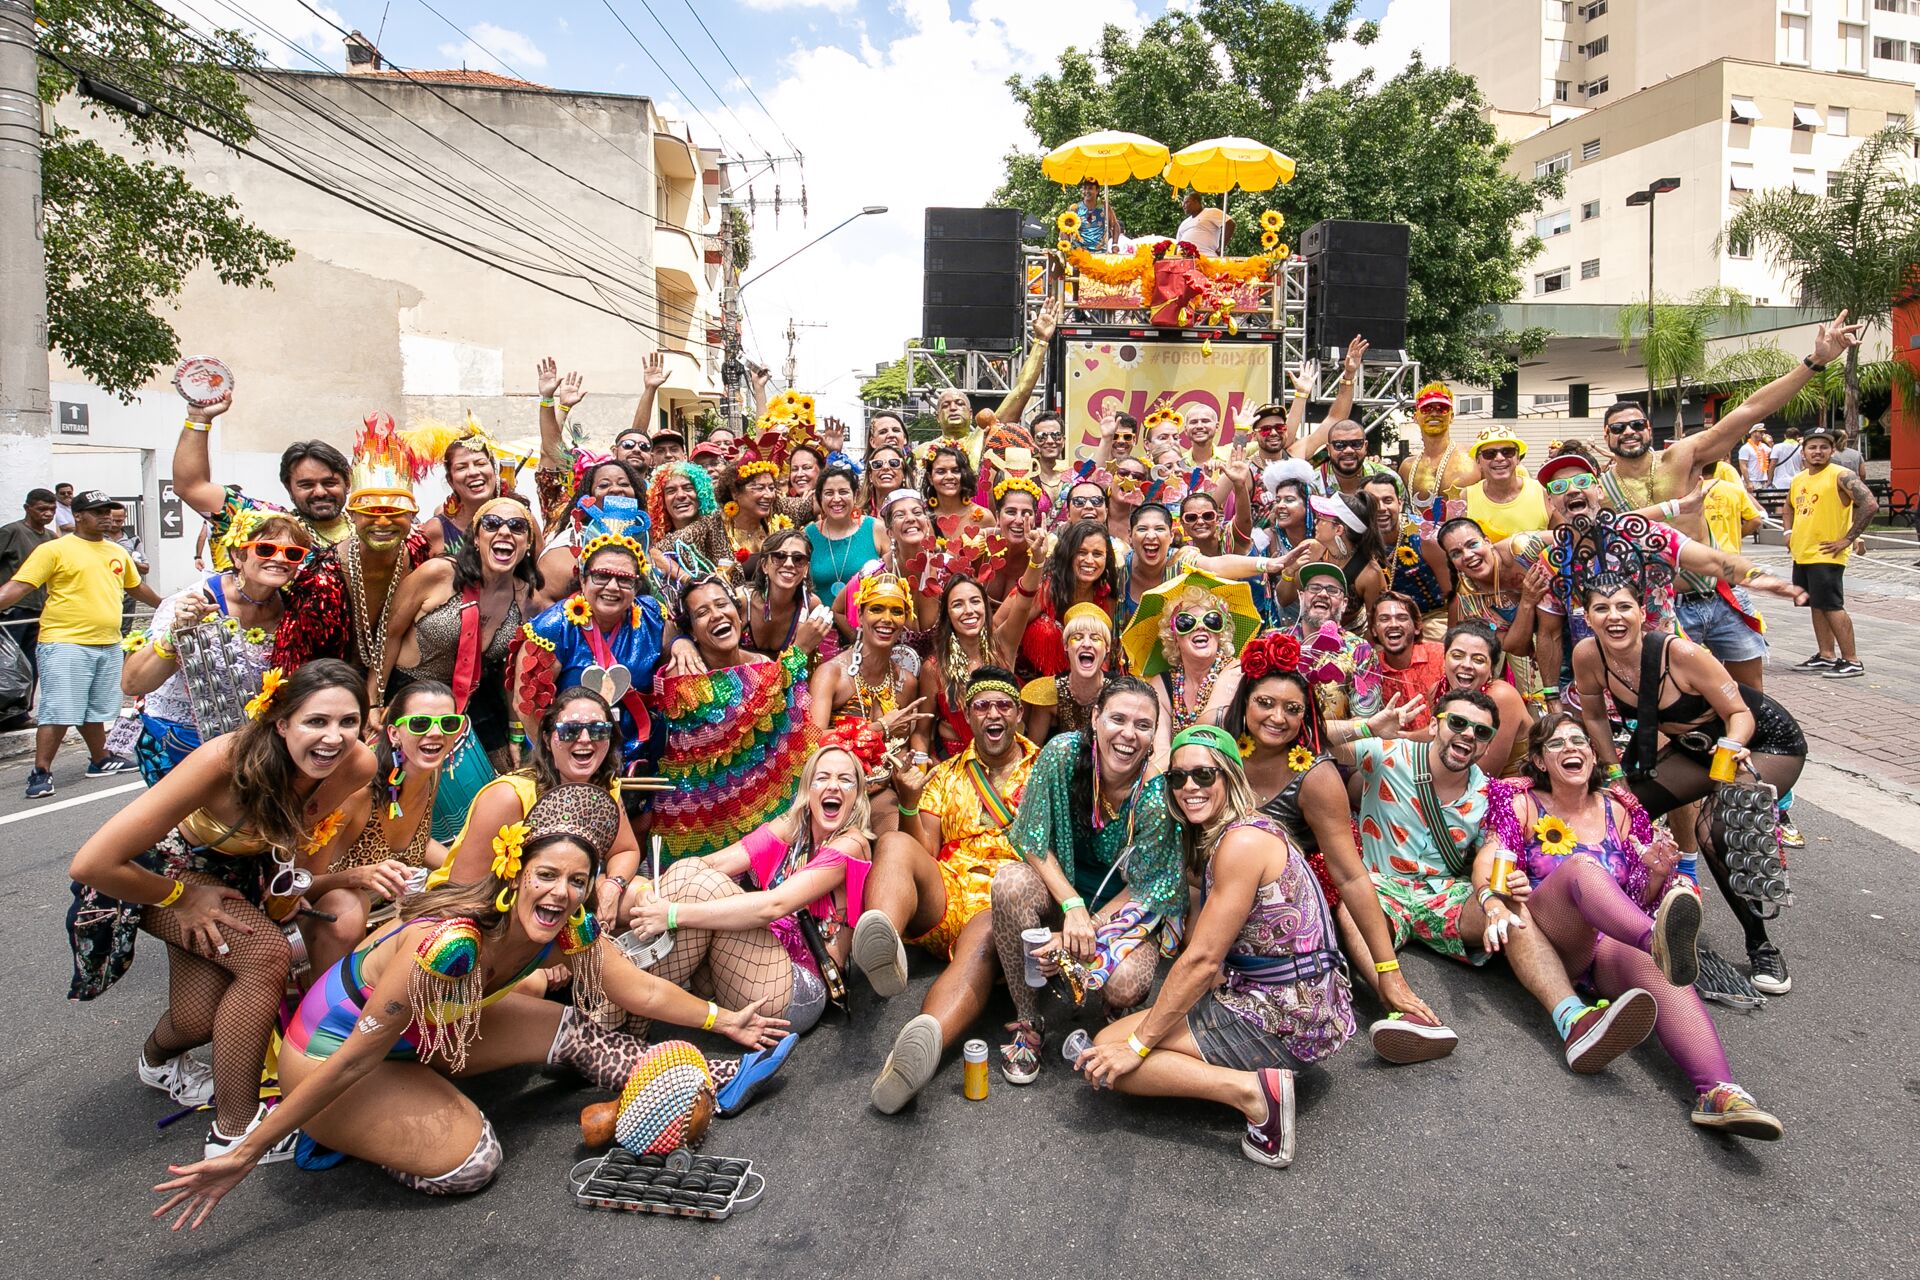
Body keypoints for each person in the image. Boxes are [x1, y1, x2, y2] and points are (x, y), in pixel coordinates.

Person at [154, 787, 792, 1225]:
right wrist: (246, 1148)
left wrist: (721, 1021)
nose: (561, 893)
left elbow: (638, 989)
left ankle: (701, 1079)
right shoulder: (452, 945)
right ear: (516, 873)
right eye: (546, 876)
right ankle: (363, 1133)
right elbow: (352, 1059)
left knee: (576, 1028)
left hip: (425, 1042)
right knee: (474, 1162)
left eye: (577, 881)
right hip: (331, 1063)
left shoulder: (567, 927)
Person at [66, 660, 375, 1161]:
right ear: (281, 723)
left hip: (235, 880)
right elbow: (92, 863)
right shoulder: (224, 762)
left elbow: (292, 839)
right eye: (316, 721)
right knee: (266, 957)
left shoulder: (355, 766)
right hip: (162, 875)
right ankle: (236, 1131)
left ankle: (157, 1063)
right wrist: (180, 898)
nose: (334, 738)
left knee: (199, 1020)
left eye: (348, 722)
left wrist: (290, 886)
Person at [1478, 714, 1782, 1139]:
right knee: (1583, 867)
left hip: (1611, 945)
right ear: (1540, 762)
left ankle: (1719, 1092)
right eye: (1557, 744)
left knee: (1656, 966)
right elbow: (1489, 858)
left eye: (1579, 740)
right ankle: (1655, 940)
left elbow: (1635, 897)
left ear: (1591, 752)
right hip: (1555, 936)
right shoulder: (1520, 802)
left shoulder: (1620, 808)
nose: (1572, 748)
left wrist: (1656, 874)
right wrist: (1492, 895)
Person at [1334, 687, 1658, 1072]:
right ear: (1437, 725)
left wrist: (1498, 895)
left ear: (1487, 746)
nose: (1468, 734)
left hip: (1445, 893)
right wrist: (1365, 726)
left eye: (1482, 732)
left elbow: (1496, 852)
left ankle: (1574, 1020)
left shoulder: (1490, 793)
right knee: (1351, 906)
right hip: (1382, 885)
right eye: (1457, 723)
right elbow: (1308, 738)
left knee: (1511, 907)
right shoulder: (1387, 754)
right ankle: (1405, 1013)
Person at [1072, 725, 1352, 1167]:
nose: (1188, 787)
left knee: (1112, 1057)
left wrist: (1139, 1046)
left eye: (1204, 776)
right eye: (1176, 778)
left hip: (1286, 1015)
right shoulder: (1242, 831)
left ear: (1230, 777)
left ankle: (1254, 1095)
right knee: (1116, 1045)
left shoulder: (1239, 843)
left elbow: (1202, 961)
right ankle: (1252, 1075)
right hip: (1300, 1002)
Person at [1573, 576, 1808, 997]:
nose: (1614, 617)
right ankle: (1627, 921)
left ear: (1643, 612)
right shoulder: (1588, 655)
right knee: (1621, 807)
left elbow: (1739, 711)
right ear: (1587, 616)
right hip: (1694, 747)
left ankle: (1762, 947)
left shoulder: (1680, 653)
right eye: (1602, 609)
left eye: (1624, 607)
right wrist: (1615, 776)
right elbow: (1592, 716)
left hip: (1761, 742)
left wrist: (1730, 752)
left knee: (1715, 831)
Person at [1222, 636, 1450, 1060]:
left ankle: (1397, 1004)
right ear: (1245, 702)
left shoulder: (1316, 777)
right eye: (1265, 703)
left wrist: (1390, 973)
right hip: (1219, 889)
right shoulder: (1220, 749)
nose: (1277, 717)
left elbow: (1351, 876)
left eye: (1292, 709)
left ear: (1305, 715)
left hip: (1288, 900)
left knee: (1339, 897)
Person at [858, 667, 1041, 1111]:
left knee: (985, 933)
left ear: (1018, 713)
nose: (993, 714)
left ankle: (918, 1051)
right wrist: (908, 802)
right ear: (968, 716)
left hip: (1007, 898)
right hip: (950, 890)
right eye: (982, 706)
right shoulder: (947, 775)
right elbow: (927, 850)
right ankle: (885, 949)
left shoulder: (1045, 770)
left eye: (1003, 705)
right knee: (896, 842)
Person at [989, 677, 1184, 1083]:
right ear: (1095, 718)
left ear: (1153, 735)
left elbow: (1147, 888)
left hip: (1123, 913)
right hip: (1064, 899)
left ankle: (1114, 1022)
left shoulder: (1156, 795)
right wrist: (1072, 907)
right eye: (1117, 719)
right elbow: (1031, 838)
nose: (1128, 734)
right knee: (1009, 883)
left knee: (1126, 984)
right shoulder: (1061, 754)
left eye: (1143, 725)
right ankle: (1028, 1020)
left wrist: (1092, 927)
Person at [631, 743, 877, 1037]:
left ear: (857, 796)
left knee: (707, 888)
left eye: (845, 780)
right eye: (822, 778)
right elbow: (711, 863)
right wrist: (650, 891)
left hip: (796, 985)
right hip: (744, 968)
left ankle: (630, 1011)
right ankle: (632, 1004)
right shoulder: (793, 828)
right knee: (692, 871)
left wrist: (672, 914)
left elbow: (774, 905)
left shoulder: (852, 845)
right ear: (808, 790)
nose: (833, 786)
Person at [379, 496, 540, 840]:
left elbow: (511, 673)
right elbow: (389, 635)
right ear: (476, 537)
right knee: (395, 794)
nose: (505, 532)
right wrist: (374, 702)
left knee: (503, 794)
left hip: (475, 708)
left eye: (517, 526)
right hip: (407, 696)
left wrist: (515, 733)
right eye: (493, 524)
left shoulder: (527, 598)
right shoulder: (439, 573)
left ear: (528, 543)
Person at [437, 687, 648, 932]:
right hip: (485, 915)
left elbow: (626, 850)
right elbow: (464, 893)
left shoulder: (604, 784)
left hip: (562, 903)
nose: (585, 739)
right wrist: (537, 943)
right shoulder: (508, 796)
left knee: (643, 896)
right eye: (569, 731)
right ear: (547, 739)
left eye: (599, 730)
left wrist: (613, 886)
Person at [651, 573, 827, 863]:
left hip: (765, 809)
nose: (717, 615)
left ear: (738, 613)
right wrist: (798, 652)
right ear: (692, 632)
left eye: (722, 604)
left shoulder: (762, 665)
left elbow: (791, 727)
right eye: (702, 612)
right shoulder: (683, 673)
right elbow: (730, 728)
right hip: (704, 826)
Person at [122, 513, 310, 784]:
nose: (280, 559)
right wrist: (178, 631)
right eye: (267, 549)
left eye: (292, 553)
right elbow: (133, 683)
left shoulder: (296, 609)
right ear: (237, 556)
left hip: (249, 749)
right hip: (180, 744)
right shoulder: (194, 601)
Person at [0, 490, 159, 798]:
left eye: (108, 510)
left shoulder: (116, 551)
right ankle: (40, 771)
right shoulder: (55, 549)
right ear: (79, 515)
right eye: (98, 511)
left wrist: (167, 604)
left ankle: (100, 759)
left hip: (108, 642)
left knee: (95, 708)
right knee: (59, 710)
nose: (106, 516)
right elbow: (19, 586)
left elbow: (137, 587)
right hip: (65, 641)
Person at [307, 680, 461, 976]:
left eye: (448, 723)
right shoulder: (357, 793)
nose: (436, 733)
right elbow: (304, 884)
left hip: (395, 917)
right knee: (346, 906)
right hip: (334, 925)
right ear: (394, 733)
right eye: (419, 723)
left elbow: (419, 843)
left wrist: (471, 870)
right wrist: (357, 876)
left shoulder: (430, 771)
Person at [511, 522, 667, 774]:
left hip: (635, 758)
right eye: (601, 576)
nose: (613, 587)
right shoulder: (552, 629)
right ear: (582, 579)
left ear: (636, 588)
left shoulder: (651, 616)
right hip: (569, 760)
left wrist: (683, 643)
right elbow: (527, 706)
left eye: (625, 580)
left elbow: (678, 649)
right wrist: (559, 764)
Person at [173, 392, 353, 568]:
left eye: (329, 483)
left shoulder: (373, 525)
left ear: (348, 483)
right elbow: (191, 487)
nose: (320, 492)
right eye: (306, 485)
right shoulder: (267, 522)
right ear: (289, 489)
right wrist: (199, 419)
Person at [810, 574, 932, 830]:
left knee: (899, 836)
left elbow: (898, 746)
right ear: (861, 615)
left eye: (896, 611)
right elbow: (813, 740)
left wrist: (909, 769)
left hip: (880, 792)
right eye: (877, 608)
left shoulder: (906, 682)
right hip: (835, 792)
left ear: (905, 620)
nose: (887, 619)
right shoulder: (832, 674)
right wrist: (878, 728)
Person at [1784, 425, 1877, 678]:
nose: (1817, 452)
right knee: (1816, 605)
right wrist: (1788, 532)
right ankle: (1826, 655)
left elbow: (1869, 503)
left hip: (1827, 553)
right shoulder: (1799, 479)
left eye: (1823, 447)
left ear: (1832, 450)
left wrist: (1848, 538)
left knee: (1832, 605)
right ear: (1803, 452)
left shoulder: (1841, 475)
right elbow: (1789, 507)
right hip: (1803, 552)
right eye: (1812, 447)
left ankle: (1852, 660)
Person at [918, 575, 1024, 759]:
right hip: (953, 769)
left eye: (975, 601)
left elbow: (1024, 601)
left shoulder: (1003, 649)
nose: (969, 610)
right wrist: (922, 773)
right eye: (957, 604)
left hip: (1003, 764)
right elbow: (922, 733)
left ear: (985, 607)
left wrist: (1037, 560)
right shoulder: (933, 668)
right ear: (947, 615)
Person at [1426, 620, 1532, 776]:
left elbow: (1484, 775)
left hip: (1506, 790)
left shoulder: (1502, 696)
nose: (1467, 665)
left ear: (1491, 670)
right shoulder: (1438, 691)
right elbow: (1433, 735)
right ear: (1444, 659)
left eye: (1478, 660)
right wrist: (1398, 735)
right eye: (1457, 656)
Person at [535, 459, 642, 608]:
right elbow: (542, 599)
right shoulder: (570, 542)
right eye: (604, 485)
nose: (616, 489)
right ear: (588, 497)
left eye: (624, 484)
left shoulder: (643, 541)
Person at [1284, 563, 1383, 721]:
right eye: (1314, 588)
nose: (1323, 594)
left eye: (1332, 590)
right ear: (1302, 597)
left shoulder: (1360, 651)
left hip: (1333, 744)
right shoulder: (1273, 640)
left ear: (1344, 604)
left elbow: (1366, 718)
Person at [1362, 473, 1451, 638]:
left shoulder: (1426, 536)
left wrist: (1455, 638)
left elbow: (1453, 595)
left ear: (1400, 503)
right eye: (1372, 502)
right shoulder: (1358, 539)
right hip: (1384, 622)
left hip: (1432, 618)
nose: (1381, 508)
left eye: (1388, 500)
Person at [1021, 602, 1114, 742]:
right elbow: (1034, 753)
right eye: (1077, 637)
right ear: (1065, 645)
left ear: (1107, 648)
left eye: (1095, 638)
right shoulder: (1049, 693)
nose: (1087, 644)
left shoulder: (1118, 691)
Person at [805, 462, 887, 607]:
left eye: (843, 492)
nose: (836, 499)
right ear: (820, 498)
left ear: (855, 495)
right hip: (820, 624)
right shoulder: (809, 534)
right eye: (829, 493)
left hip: (863, 625)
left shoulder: (876, 529)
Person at [0, 488, 61, 675]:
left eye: (52, 509)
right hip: (13, 609)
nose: (48, 514)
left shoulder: (51, 538)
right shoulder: (12, 532)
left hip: (40, 610)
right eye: (42, 509)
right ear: (27, 508)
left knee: (32, 665)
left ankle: (26, 704)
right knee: (9, 665)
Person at [1398, 382, 1479, 521]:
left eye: (1442, 408)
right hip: (1421, 540)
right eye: (1426, 409)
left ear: (1451, 416)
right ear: (1415, 417)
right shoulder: (1407, 467)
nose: (1434, 413)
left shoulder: (1475, 456)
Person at [1370, 591, 1442, 732]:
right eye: (1384, 619)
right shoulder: (1369, 668)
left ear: (1417, 626)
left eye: (1402, 618)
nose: (1393, 624)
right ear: (1373, 630)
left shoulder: (1442, 656)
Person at [1461, 429, 1549, 543]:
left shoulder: (1541, 491)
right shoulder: (1465, 498)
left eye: (1507, 452)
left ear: (1517, 458)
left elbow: (1563, 539)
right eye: (1489, 454)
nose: (1499, 458)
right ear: (1478, 461)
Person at [646, 459, 721, 589]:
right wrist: (688, 580)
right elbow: (651, 555)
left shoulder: (716, 523)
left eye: (688, 488)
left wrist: (690, 582)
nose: (680, 495)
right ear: (660, 501)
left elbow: (653, 553)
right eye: (671, 491)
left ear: (701, 494)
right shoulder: (652, 538)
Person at [1071, 177, 1120, 252]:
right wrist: (1065, 245)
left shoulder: (1104, 206)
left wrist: (1115, 244)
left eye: (1090, 188)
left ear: (1097, 191)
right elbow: (1065, 229)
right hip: (1080, 253)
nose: (1086, 191)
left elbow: (1115, 225)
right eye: (1085, 188)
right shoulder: (1075, 208)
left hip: (1100, 253)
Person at [1175, 190, 1231, 256]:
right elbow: (1177, 244)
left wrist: (1221, 248)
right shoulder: (1184, 223)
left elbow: (1230, 224)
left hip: (1206, 257)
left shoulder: (1211, 212)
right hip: (1184, 261)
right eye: (1183, 203)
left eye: (1186, 202)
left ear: (1196, 202)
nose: (1183, 205)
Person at [1737, 424, 1772, 492]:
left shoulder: (1763, 446)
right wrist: (1748, 483)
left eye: (1763, 432)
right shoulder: (1745, 448)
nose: (1763, 434)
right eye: (1760, 432)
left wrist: (1770, 444)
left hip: (1763, 480)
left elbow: (1773, 456)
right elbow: (1743, 466)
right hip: (1752, 481)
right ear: (1753, 433)